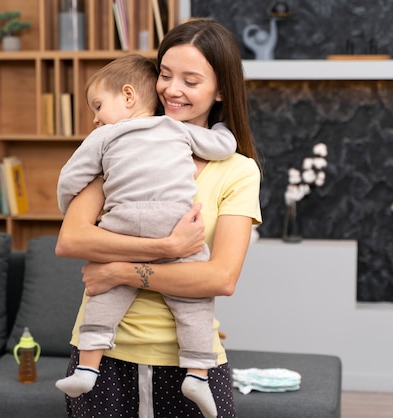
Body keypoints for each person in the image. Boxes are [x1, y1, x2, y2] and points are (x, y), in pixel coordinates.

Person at [56, 18, 262, 418]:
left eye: (191, 80)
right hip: (103, 360)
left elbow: (220, 278)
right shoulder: (119, 147)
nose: (172, 89)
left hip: (190, 364)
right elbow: (72, 241)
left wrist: (118, 271)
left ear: (220, 90)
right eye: (165, 74)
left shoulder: (238, 171)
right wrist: (167, 248)